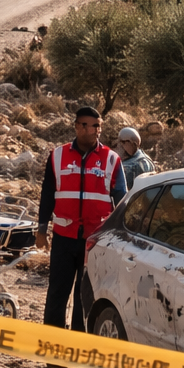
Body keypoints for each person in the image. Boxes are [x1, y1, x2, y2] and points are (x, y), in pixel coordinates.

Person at [36, 106, 124, 331]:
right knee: (57, 292)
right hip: (64, 237)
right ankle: (52, 346)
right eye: (87, 125)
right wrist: (41, 229)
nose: (93, 130)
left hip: (94, 241)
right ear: (76, 126)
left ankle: (76, 348)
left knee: (84, 297)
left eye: (97, 125)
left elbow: (122, 201)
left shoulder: (111, 160)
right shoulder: (58, 156)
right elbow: (48, 194)